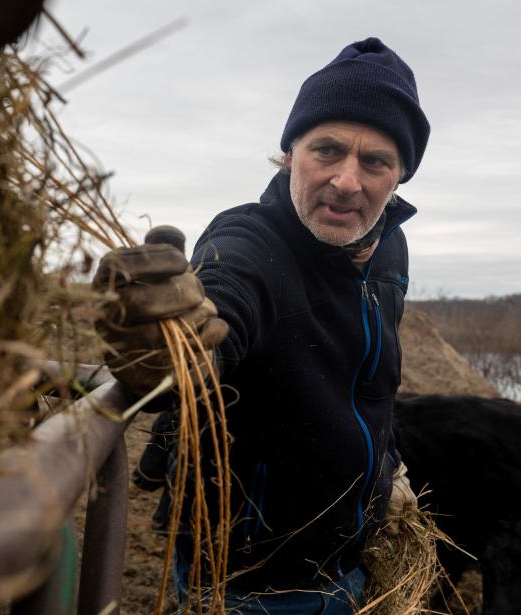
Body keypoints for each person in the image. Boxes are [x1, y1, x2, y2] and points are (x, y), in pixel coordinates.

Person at [93, 37, 428, 613]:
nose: (348, 181)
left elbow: (374, 384)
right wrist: (171, 342)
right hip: (249, 585)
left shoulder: (388, 247)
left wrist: (386, 472)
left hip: (352, 565)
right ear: (290, 153)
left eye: (375, 161)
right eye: (327, 150)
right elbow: (216, 316)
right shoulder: (249, 245)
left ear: (399, 177)